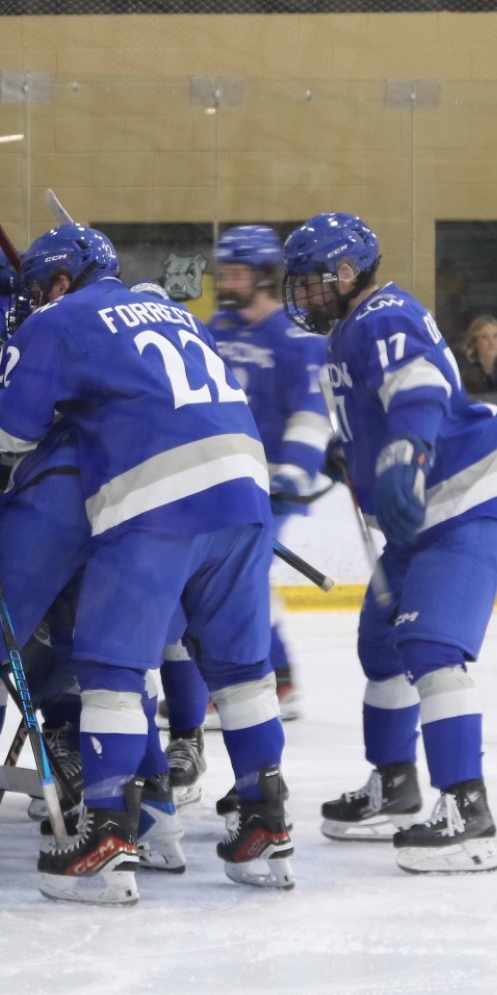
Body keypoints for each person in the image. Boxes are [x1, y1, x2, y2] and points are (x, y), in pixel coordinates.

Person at [0, 223, 288, 904]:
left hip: (156, 497)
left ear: (60, 282)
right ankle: (266, 822)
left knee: (111, 666)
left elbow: (5, 430)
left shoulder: (59, 319)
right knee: (240, 668)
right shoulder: (175, 310)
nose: (36, 299)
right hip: (243, 486)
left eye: (39, 288)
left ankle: (108, 835)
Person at [281, 212, 497, 874]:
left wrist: (403, 448)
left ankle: (467, 808)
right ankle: (395, 785)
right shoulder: (348, 330)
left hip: (463, 498)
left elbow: (421, 388)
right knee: (381, 645)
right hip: (418, 516)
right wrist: (353, 449)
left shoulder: (383, 315)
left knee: (429, 648)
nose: (303, 296)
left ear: (346, 275)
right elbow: (376, 403)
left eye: (312, 283)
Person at [201, 225, 329, 735]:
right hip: (224, 480)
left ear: (264, 276)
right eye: (225, 270)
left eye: (237, 271)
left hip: (273, 484)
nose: (227, 279)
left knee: (238, 578)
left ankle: (273, 679)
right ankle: (277, 677)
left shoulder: (298, 339)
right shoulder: (218, 328)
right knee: (231, 578)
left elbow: (311, 410)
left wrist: (295, 468)